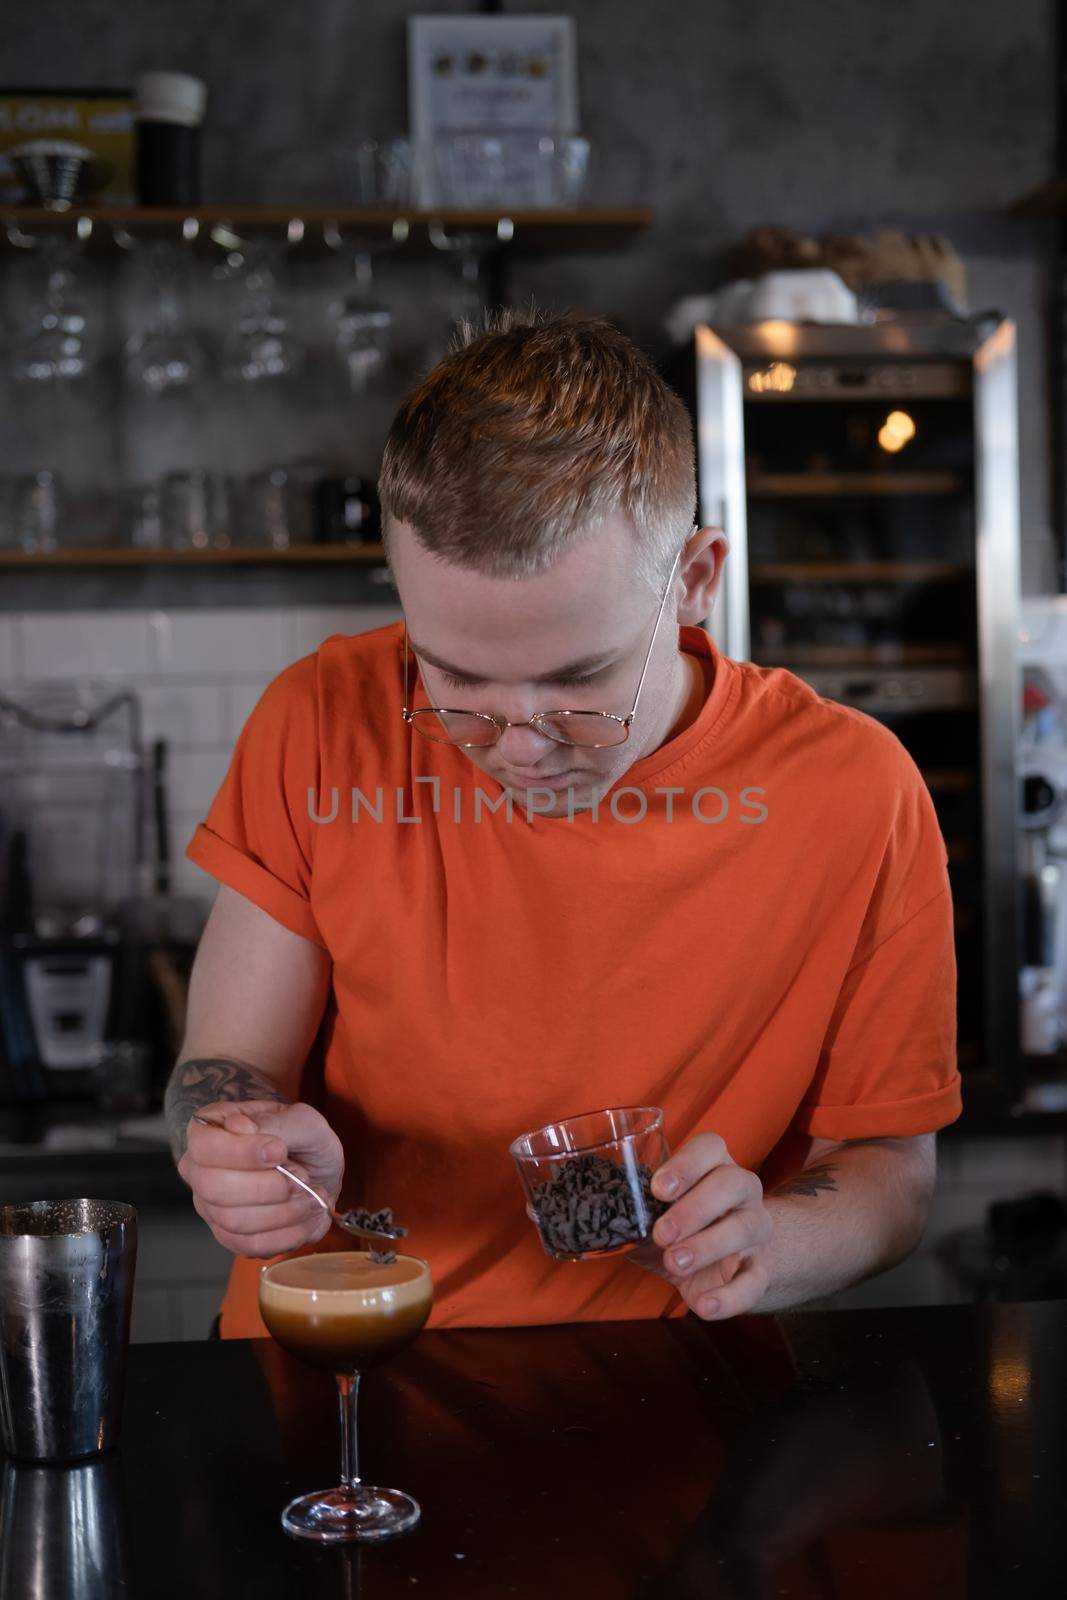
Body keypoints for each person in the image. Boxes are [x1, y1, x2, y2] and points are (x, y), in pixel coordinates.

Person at [166, 310, 960, 1339]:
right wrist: (235, 1142)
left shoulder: (857, 791)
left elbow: (892, 1173)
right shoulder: (319, 717)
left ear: (693, 582)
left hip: (663, 1399)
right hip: (341, 1353)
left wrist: (772, 1239)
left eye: (580, 682)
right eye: (452, 681)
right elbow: (221, 1064)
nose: (522, 746)